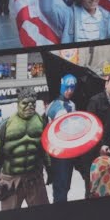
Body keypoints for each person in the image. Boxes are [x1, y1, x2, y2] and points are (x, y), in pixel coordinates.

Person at [0, 92, 49, 210]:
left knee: (42, 218)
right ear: (18, 104)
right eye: (25, 103)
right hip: (10, 181)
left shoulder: (40, 122)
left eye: (33, 103)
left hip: (34, 178)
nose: (30, 106)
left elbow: (44, 150)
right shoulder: (6, 126)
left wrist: (49, 168)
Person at [44, 74, 78, 203]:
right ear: (62, 86)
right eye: (67, 88)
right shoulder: (54, 106)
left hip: (69, 151)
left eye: (72, 88)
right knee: (60, 188)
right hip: (57, 152)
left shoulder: (72, 105)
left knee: (65, 185)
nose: (69, 91)